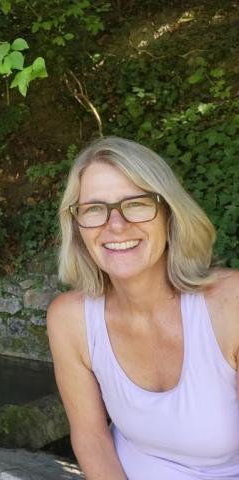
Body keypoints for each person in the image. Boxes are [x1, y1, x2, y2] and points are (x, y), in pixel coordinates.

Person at [47, 136, 239, 479]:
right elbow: (92, 439)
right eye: (94, 208)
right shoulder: (69, 319)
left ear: (169, 213)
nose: (116, 225)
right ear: (77, 226)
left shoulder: (230, 305)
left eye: (135, 203)